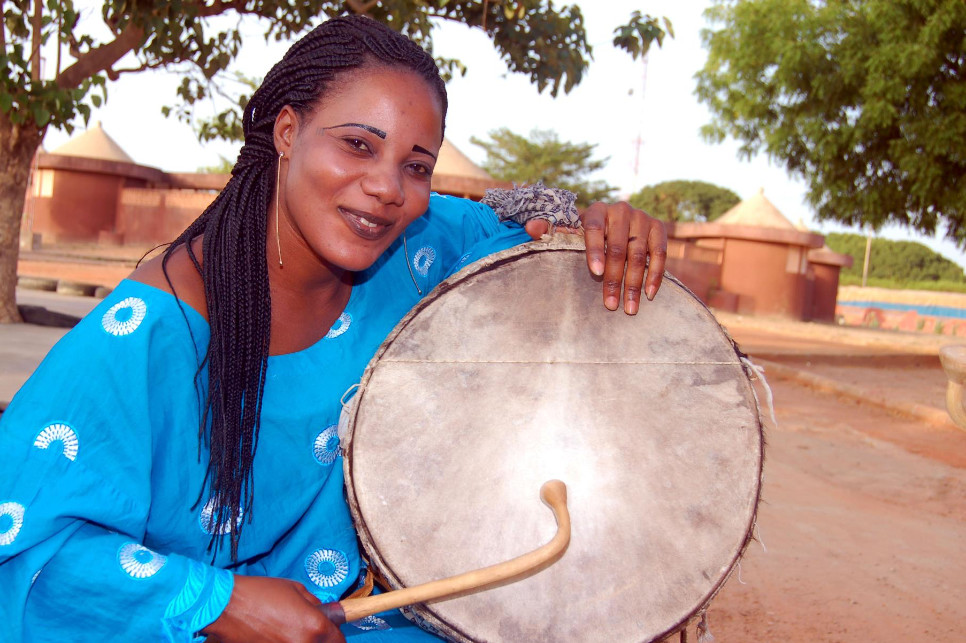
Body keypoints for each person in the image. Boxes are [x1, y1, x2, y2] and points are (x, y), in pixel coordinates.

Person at [0, 15, 667, 643]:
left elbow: (533, 240)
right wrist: (220, 603)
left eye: (415, 165)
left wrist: (604, 230)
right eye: (357, 144)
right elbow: (24, 549)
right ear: (288, 133)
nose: (386, 188)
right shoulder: (147, 333)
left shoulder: (417, 244)